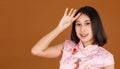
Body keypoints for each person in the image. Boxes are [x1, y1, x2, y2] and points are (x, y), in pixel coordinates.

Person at [31, 6, 115, 69]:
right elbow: (36, 51)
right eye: (78, 24)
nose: (82, 29)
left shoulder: (106, 57)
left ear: (96, 25)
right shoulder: (67, 47)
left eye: (87, 23)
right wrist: (59, 28)